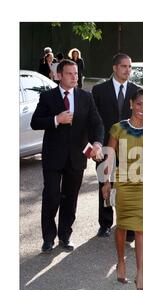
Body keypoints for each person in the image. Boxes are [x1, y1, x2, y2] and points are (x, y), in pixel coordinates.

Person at [31, 59, 104, 253]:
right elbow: (35, 122)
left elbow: (97, 124)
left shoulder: (85, 97)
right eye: (70, 74)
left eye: (76, 74)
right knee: (52, 196)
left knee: (70, 199)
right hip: (53, 157)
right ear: (59, 75)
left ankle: (65, 236)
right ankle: (48, 238)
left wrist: (97, 143)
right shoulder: (48, 97)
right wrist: (56, 119)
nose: (74, 77)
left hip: (76, 157)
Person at [102, 89, 143, 290]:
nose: (142, 109)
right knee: (121, 226)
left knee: (140, 229)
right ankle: (121, 262)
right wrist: (107, 182)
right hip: (123, 184)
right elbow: (109, 158)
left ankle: (140, 273)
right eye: (139, 104)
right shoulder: (117, 129)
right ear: (131, 104)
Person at [92, 53, 140, 240]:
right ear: (114, 68)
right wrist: (95, 144)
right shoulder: (99, 90)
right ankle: (105, 224)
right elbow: (94, 120)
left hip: (130, 148)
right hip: (105, 146)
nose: (127, 70)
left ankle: (128, 226)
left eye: (130, 67)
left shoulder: (136, 91)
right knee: (106, 184)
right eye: (124, 66)